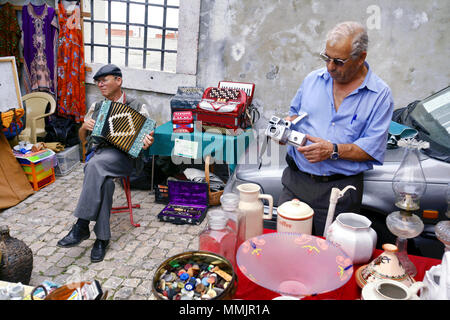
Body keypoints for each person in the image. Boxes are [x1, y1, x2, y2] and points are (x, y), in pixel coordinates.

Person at [279, 21, 394, 236]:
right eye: (326, 58)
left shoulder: (380, 95)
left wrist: (332, 150)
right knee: (287, 250)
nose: (330, 67)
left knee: (331, 259)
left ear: (361, 58)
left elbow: (372, 149)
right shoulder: (313, 80)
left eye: (339, 61)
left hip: (339, 192)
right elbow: (294, 114)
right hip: (296, 182)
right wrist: (285, 129)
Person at [57, 64, 155, 262]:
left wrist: (147, 142)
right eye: (98, 82)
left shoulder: (137, 106)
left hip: (125, 158)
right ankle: (102, 239)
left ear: (118, 81)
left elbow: (146, 141)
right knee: (106, 183)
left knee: (94, 166)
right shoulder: (97, 107)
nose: (100, 85)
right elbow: (83, 139)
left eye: (104, 80)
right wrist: (84, 127)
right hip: (101, 153)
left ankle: (82, 225)